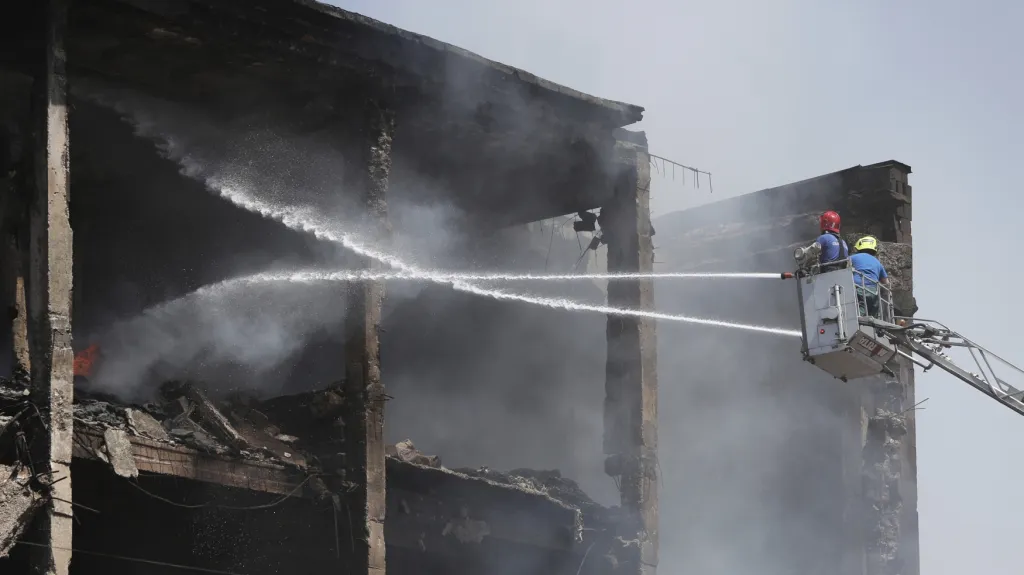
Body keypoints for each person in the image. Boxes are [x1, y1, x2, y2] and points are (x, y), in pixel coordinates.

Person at [850, 235, 889, 318]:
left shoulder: (853, 258)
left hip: (859, 289)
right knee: (873, 316)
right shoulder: (877, 262)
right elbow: (886, 282)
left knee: (860, 313)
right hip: (874, 292)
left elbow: (842, 268)